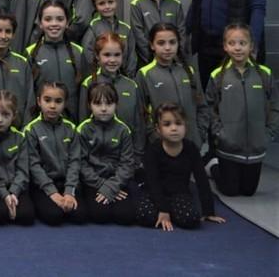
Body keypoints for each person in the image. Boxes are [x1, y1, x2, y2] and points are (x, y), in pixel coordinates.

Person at [205, 23, 279, 197]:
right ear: (225, 46)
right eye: (232, 43)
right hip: (228, 147)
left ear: (251, 45)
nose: (237, 48)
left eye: (242, 43)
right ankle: (213, 166)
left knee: (248, 191)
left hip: (255, 147)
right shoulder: (218, 76)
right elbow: (209, 108)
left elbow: (275, 105)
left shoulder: (264, 74)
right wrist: (220, 134)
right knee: (230, 191)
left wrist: (268, 133)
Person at [137, 103, 226, 230]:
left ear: (185, 126)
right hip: (155, 192)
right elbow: (153, 182)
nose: (174, 128)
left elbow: (201, 179)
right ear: (158, 129)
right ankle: (167, 211)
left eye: (178, 123)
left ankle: (172, 212)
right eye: (167, 124)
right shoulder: (153, 151)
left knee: (191, 219)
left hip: (179, 193)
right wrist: (163, 209)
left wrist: (208, 211)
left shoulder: (191, 148)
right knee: (144, 216)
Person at [137, 23, 212, 150]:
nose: (167, 48)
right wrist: (155, 138)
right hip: (162, 147)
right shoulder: (145, 74)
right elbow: (141, 114)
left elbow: (202, 106)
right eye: (161, 43)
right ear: (152, 45)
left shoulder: (189, 71)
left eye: (172, 42)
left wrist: (199, 135)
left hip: (192, 143)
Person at [78, 33, 145, 166]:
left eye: (117, 55)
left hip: (127, 158)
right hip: (96, 160)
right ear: (97, 56)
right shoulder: (89, 84)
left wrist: (137, 155)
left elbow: (139, 124)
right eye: (107, 55)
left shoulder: (131, 86)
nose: (112, 60)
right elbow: (83, 122)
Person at [25, 82, 87, 226]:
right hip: (43, 185)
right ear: (39, 101)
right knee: (54, 216)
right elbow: (34, 165)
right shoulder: (31, 130)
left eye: (58, 101)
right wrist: (52, 193)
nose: (52, 106)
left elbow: (75, 161)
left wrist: (69, 192)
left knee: (80, 216)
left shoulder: (71, 128)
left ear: (65, 103)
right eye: (47, 100)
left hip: (66, 182)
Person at [77, 83, 136, 225]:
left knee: (126, 217)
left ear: (116, 104)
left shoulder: (123, 130)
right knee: (100, 215)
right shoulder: (83, 129)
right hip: (93, 182)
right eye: (98, 104)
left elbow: (127, 164)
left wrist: (113, 186)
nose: (104, 109)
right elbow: (81, 163)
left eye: (109, 103)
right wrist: (102, 185)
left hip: (117, 181)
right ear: (89, 105)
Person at [0, 90, 35, 226]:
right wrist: (4, 194)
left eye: (6, 114)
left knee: (27, 216)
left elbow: (23, 171)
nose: (0, 120)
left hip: (17, 187)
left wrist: (13, 192)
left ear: (14, 115)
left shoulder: (20, 138)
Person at [27, 1, 84, 121]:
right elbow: (28, 93)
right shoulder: (31, 53)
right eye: (48, 19)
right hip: (41, 124)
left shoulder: (78, 53)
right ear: (40, 23)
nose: (54, 24)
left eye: (60, 19)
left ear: (67, 23)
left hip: (73, 123)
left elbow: (85, 91)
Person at [130, 0, 186, 68]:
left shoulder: (175, 4)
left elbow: (182, 33)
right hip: (149, 62)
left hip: (174, 61)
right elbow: (139, 36)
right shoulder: (137, 5)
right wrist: (153, 59)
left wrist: (176, 56)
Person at [80, 0, 136, 76]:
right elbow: (87, 54)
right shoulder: (93, 27)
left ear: (116, 1)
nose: (107, 6)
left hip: (123, 77)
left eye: (110, 2)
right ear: (95, 6)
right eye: (101, 3)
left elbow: (131, 57)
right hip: (100, 78)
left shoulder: (126, 29)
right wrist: (98, 74)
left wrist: (129, 76)